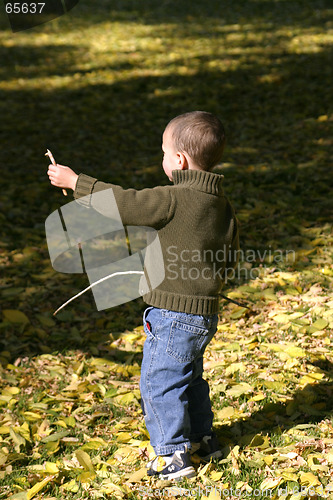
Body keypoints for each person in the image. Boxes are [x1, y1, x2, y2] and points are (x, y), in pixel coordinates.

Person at [47, 111, 239, 480]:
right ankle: (203, 438)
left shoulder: (173, 199)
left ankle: (172, 454)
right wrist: (209, 287)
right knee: (191, 378)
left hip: (171, 314)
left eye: (164, 152)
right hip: (204, 315)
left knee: (160, 381)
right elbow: (228, 256)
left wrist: (76, 182)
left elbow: (124, 203)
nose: (163, 159)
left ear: (179, 160)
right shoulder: (222, 205)